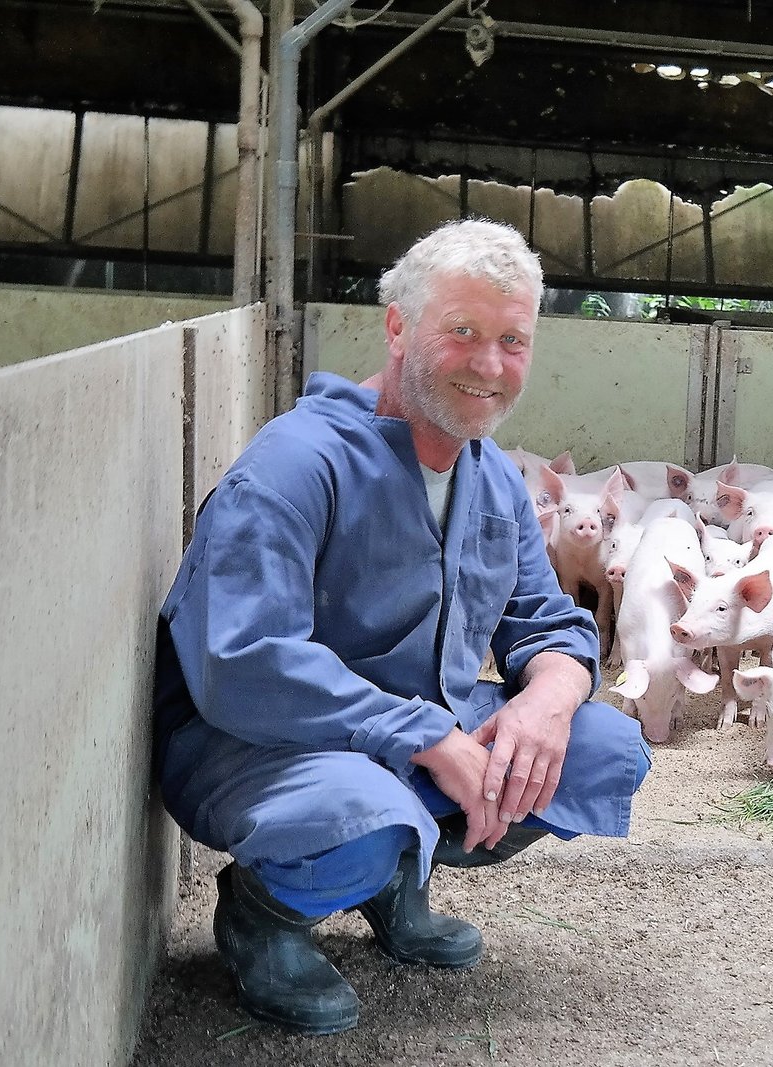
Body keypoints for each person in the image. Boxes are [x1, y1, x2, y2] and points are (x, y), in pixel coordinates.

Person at [152, 219, 650, 1035]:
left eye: (512, 341)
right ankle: (263, 913)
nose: (489, 365)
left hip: (411, 736)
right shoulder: (295, 463)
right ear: (397, 327)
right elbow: (243, 660)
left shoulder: (494, 480)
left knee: (599, 748)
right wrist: (430, 735)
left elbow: (548, 620)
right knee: (364, 812)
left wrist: (548, 700)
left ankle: (394, 877)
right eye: (463, 331)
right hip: (259, 740)